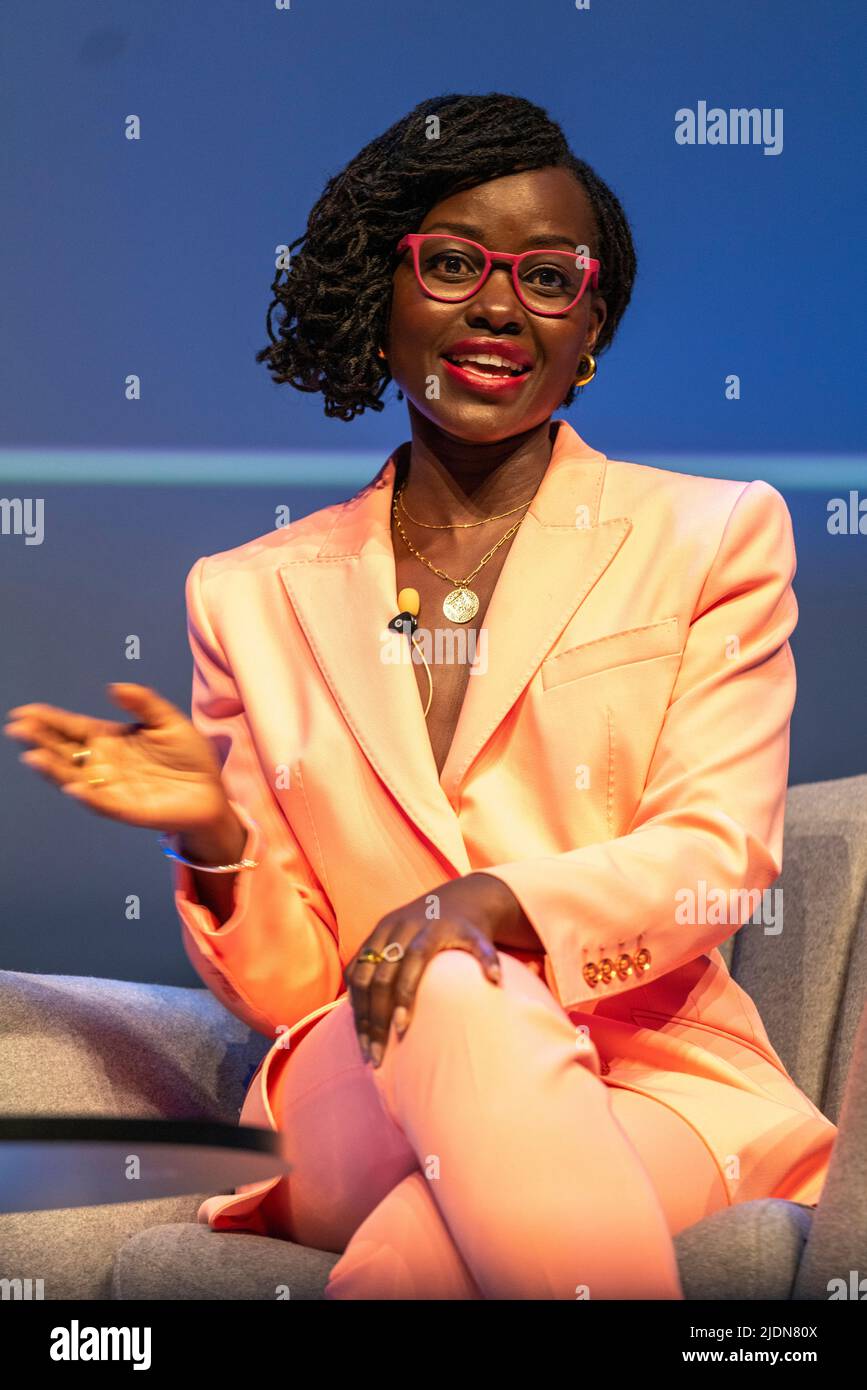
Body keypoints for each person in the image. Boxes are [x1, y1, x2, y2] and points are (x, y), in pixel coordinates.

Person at [4, 92, 837, 1300]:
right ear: (380, 302)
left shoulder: (709, 535)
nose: (500, 304)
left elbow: (717, 849)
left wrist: (490, 903)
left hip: (650, 1085)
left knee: (418, 1263)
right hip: (366, 1085)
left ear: (590, 332)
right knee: (446, 982)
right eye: (452, 265)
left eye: (549, 279)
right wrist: (216, 834)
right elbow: (298, 987)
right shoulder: (250, 594)